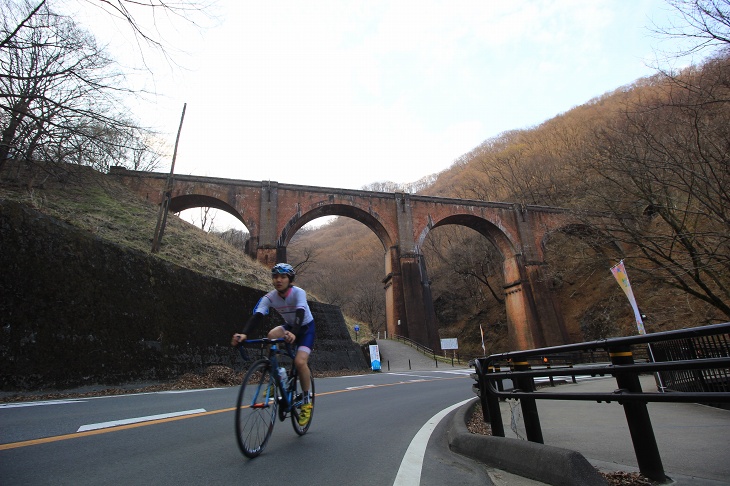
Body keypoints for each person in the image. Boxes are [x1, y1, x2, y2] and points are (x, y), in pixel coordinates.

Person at [231, 263, 315, 426]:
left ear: (289, 280)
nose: (278, 280)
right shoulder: (270, 297)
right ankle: (276, 375)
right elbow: (258, 315)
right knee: (271, 335)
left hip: (305, 329)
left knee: (299, 362)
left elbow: (300, 312)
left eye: (283, 277)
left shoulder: (299, 293)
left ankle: (306, 402)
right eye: (275, 277)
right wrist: (244, 334)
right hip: (289, 327)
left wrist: (294, 333)